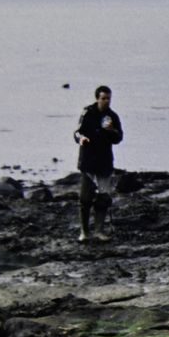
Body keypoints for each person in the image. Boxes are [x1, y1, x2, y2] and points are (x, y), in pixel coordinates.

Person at [74, 85, 122, 240]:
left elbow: (118, 138)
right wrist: (81, 139)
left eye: (109, 98)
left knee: (104, 196)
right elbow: (77, 132)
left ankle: (99, 231)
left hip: (104, 161)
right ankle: (84, 232)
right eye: (104, 98)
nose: (107, 101)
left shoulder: (112, 116)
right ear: (97, 99)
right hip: (88, 160)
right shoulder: (88, 113)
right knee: (85, 198)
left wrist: (112, 130)